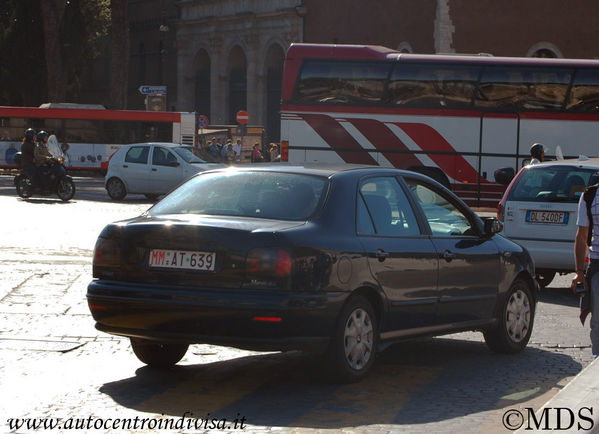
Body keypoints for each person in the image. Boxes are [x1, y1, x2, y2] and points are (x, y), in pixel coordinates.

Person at [570, 188, 599, 357]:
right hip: (597, 265)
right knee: (597, 323)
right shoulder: (589, 196)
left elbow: (582, 236)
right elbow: (582, 235)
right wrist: (579, 272)